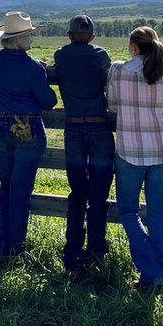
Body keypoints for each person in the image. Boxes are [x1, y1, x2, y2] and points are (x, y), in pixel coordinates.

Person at [107, 26, 163, 290]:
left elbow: (112, 105)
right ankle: (158, 272)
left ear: (133, 47)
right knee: (158, 212)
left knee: (127, 211)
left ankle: (151, 271)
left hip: (129, 152)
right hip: (161, 152)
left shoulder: (118, 70)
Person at [0, 11, 58, 258]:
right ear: (19, 40)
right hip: (27, 127)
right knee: (21, 189)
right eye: (29, 36)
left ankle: (0, 247)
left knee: (6, 185)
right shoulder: (33, 67)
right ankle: (16, 248)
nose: (32, 40)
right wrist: (42, 72)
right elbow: (48, 101)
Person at [52, 15, 114, 272]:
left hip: (74, 128)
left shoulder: (60, 55)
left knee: (77, 193)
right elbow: (107, 82)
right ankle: (96, 249)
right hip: (99, 127)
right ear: (92, 36)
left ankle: (72, 251)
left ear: (69, 35)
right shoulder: (100, 55)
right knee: (98, 194)